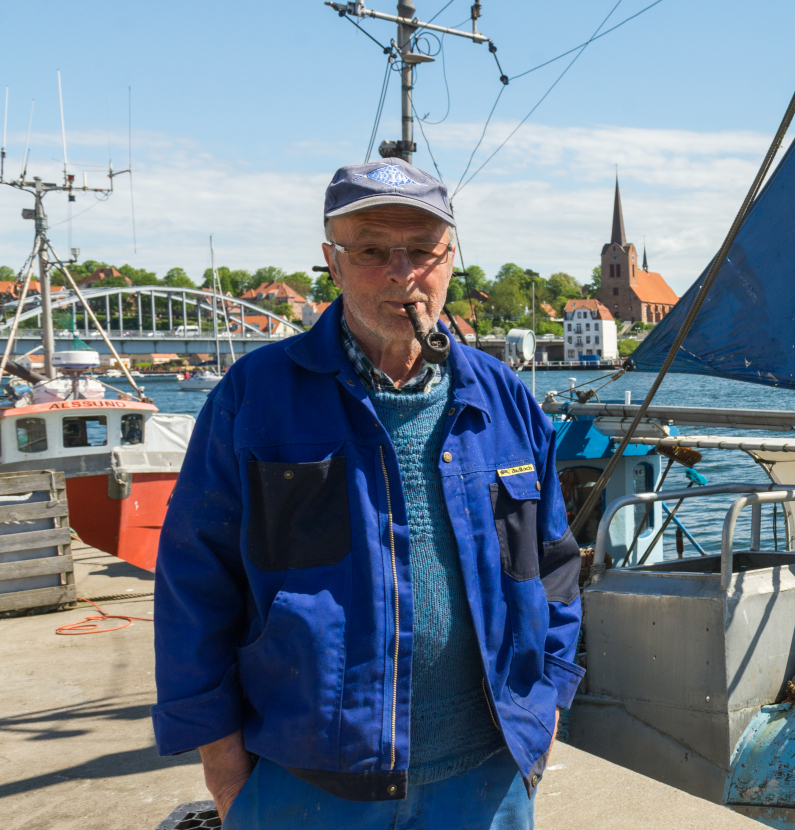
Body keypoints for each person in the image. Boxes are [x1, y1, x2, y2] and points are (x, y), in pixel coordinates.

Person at [151, 159, 583, 828]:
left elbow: (552, 565)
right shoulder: (254, 397)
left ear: (450, 258)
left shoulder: (506, 400)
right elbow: (194, 579)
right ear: (332, 261)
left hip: (486, 778)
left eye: (422, 250)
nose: (400, 272)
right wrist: (222, 762)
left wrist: (546, 701)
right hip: (305, 783)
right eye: (372, 251)